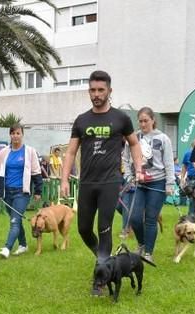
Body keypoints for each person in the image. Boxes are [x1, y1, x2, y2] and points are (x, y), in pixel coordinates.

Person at [60, 70, 144, 295]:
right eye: (92, 90)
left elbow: (134, 144)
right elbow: (70, 152)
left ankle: (101, 277)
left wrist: (138, 166)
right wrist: (64, 178)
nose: (96, 94)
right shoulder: (81, 120)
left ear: (109, 91)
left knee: (104, 228)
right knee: (83, 229)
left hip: (110, 182)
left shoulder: (121, 119)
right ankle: (105, 261)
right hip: (87, 183)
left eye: (101, 90)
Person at [121, 106, 174, 263]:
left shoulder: (163, 138)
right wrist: (128, 177)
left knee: (151, 218)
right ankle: (142, 244)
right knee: (135, 217)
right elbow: (125, 158)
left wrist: (170, 184)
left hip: (157, 183)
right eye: (140, 121)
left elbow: (169, 162)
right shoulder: (133, 138)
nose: (143, 124)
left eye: (146, 121)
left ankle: (148, 253)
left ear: (153, 120)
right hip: (137, 182)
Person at [0, 124, 43, 258]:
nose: (15, 136)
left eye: (18, 133)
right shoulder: (3, 152)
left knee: (15, 221)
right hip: (7, 192)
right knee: (15, 219)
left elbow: (36, 171)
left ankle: (7, 248)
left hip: (22, 192)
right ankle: (23, 245)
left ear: (22, 134)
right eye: (13, 133)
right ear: (9, 135)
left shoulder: (29, 151)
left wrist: (38, 191)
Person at [180, 137, 195, 216]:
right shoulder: (188, 154)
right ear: (192, 146)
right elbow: (184, 166)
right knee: (192, 198)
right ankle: (191, 215)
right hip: (190, 178)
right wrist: (182, 178)